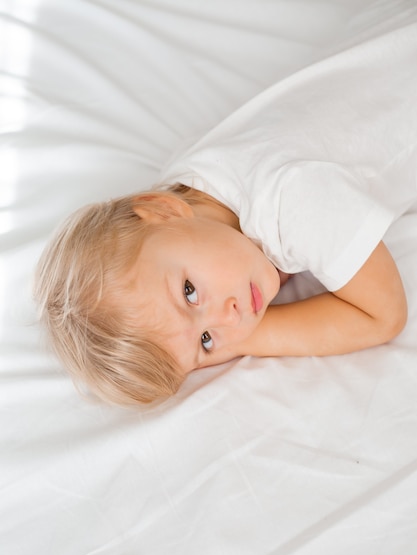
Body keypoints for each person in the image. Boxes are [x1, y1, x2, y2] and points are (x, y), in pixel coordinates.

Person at [34, 23, 416, 405]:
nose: (230, 317)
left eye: (189, 292)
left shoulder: (292, 202)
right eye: (206, 341)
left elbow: (382, 317)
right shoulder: (191, 184)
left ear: (162, 208)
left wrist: (251, 339)